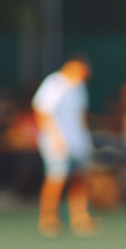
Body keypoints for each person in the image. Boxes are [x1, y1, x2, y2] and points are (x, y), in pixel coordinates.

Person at [32, 55, 95, 236]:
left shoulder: (79, 87)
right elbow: (42, 111)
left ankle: (80, 216)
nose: (84, 75)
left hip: (78, 142)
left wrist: (85, 138)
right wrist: (54, 138)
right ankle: (48, 218)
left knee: (79, 178)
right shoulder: (53, 84)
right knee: (56, 178)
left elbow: (80, 114)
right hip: (56, 142)